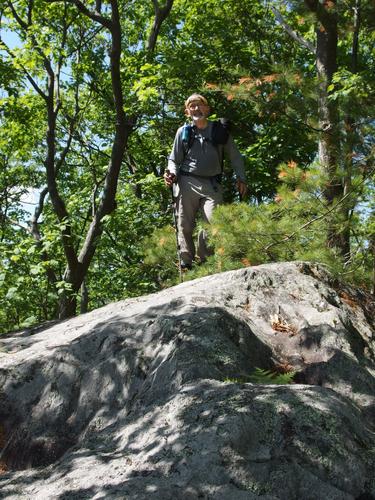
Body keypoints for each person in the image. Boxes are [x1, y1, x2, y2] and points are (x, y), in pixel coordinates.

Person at [164, 93, 248, 270]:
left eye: (199, 105)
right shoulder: (183, 132)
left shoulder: (219, 130)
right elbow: (173, 159)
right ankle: (186, 262)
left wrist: (241, 177)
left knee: (212, 222)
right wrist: (170, 173)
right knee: (185, 224)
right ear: (187, 112)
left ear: (207, 109)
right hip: (186, 182)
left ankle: (205, 260)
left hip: (212, 185)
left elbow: (235, 156)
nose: (196, 109)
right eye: (192, 106)